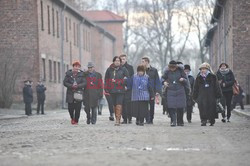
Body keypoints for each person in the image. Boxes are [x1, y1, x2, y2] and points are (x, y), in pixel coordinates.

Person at [162, 60, 189, 127]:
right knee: (171, 107)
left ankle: (180, 121)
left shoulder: (181, 71)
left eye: (173, 67)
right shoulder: (167, 71)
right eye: (171, 67)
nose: (172, 69)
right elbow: (162, 78)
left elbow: (186, 80)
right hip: (170, 90)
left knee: (180, 107)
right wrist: (164, 82)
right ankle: (173, 121)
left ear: (176, 67)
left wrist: (183, 79)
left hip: (180, 90)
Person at [104, 56, 129, 126]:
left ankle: (118, 120)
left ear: (120, 62)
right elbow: (106, 79)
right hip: (112, 90)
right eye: (116, 60)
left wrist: (119, 82)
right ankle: (116, 118)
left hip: (121, 90)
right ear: (113, 62)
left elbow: (127, 79)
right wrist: (106, 88)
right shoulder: (109, 70)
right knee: (114, 104)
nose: (117, 62)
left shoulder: (124, 69)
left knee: (119, 104)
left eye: (118, 61)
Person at [63, 61, 86, 125]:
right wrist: (71, 86)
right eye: (75, 66)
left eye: (78, 66)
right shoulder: (68, 74)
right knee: (70, 108)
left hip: (78, 93)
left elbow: (84, 83)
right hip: (70, 93)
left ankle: (76, 120)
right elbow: (65, 82)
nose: (76, 68)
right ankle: (72, 118)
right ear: (73, 67)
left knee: (78, 108)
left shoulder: (82, 74)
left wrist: (78, 86)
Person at [141, 57, 161, 124]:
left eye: (143, 61)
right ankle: (146, 119)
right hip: (143, 91)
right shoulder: (141, 70)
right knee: (144, 106)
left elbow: (157, 81)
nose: (142, 63)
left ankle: (151, 119)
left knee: (152, 105)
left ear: (147, 62)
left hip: (152, 91)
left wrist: (157, 91)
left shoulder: (154, 70)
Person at [120, 54, 134, 124]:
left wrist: (127, 86)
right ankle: (124, 119)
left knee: (128, 104)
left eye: (123, 59)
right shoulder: (118, 68)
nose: (122, 60)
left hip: (128, 89)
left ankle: (130, 118)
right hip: (120, 88)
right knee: (122, 104)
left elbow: (131, 78)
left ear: (126, 59)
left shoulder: (130, 67)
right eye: (121, 59)